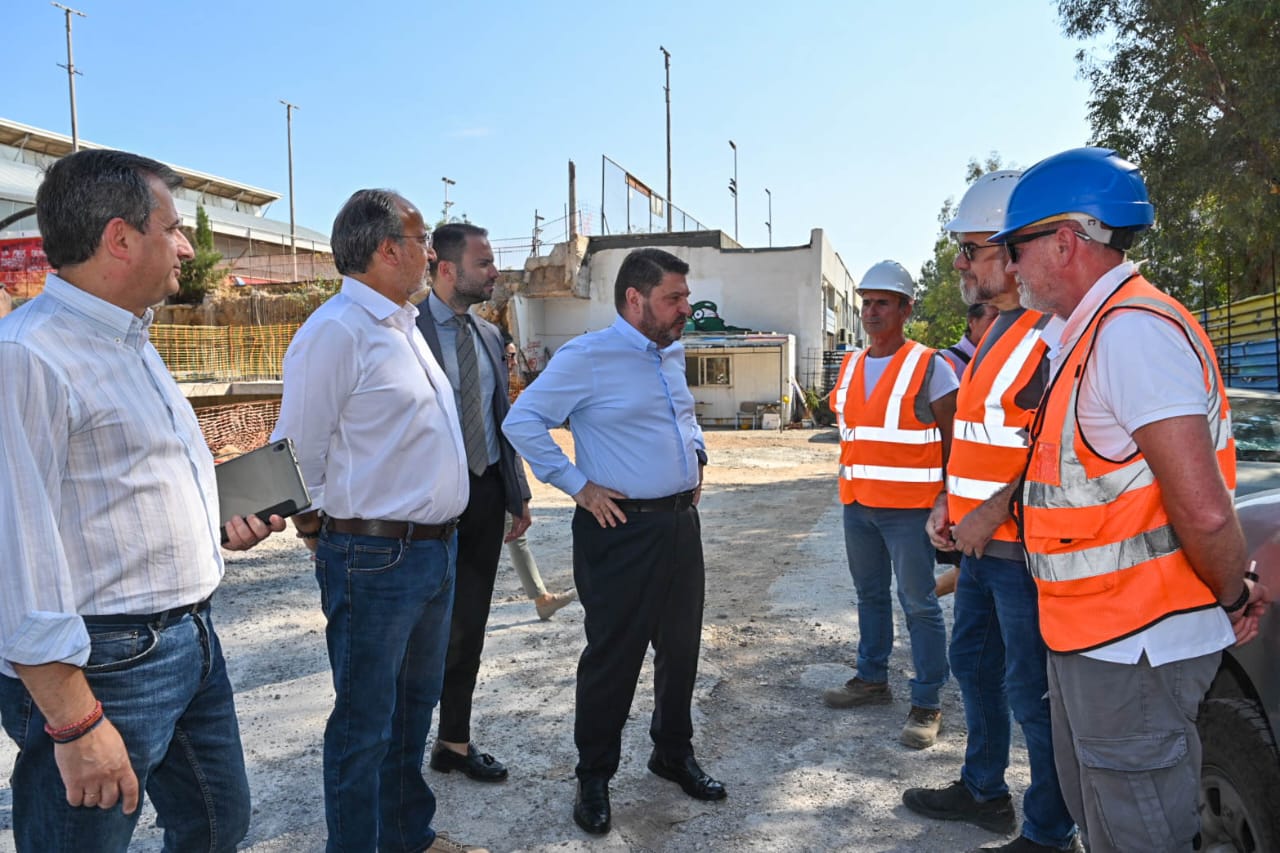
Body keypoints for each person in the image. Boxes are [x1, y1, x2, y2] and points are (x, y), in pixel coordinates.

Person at [0, 148, 285, 852]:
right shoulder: (28, 355)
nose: (187, 246)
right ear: (120, 238)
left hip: (191, 639)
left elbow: (125, 486)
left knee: (217, 826)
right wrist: (74, 721)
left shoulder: (132, 338)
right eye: (174, 228)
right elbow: (13, 554)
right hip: (102, 664)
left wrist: (213, 519)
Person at [987, 147, 1270, 852]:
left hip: (1136, 647)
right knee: (1106, 825)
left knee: (1141, 833)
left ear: (1065, 241)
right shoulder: (1089, 334)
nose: (1011, 267)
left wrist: (1233, 595)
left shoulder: (1132, 334)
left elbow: (1205, 510)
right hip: (1097, 640)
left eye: (1017, 248)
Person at [272, 190, 485, 853]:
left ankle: (406, 835)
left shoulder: (401, 325)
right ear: (388, 249)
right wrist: (323, 538)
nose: (431, 252)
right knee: (364, 724)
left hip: (433, 554)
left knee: (413, 710)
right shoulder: (336, 331)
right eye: (423, 240)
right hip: (375, 558)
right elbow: (297, 455)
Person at [503, 247, 725, 837]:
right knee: (614, 658)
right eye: (673, 298)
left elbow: (684, 416)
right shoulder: (588, 357)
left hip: (679, 525)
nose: (685, 308)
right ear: (634, 299)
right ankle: (594, 777)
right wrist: (578, 486)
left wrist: (697, 456)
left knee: (681, 648)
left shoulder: (670, 350)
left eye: (685, 296)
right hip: (619, 530)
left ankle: (671, 752)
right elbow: (522, 422)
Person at [901, 171, 1081, 853]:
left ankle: (1050, 831)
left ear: (1010, 251)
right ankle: (983, 790)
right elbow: (981, 440)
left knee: (1031, 690)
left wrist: (989, 514)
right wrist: (951, 500)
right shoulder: (998, 331)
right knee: (974, 666)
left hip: (1022, 552)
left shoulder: (1051, 334)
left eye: (970, 249)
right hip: (982, 545)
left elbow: (1054, 450)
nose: (961, 264)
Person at [414, 222, 536, 782]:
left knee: (468, 626)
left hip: (483, 496)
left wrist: (517, 493)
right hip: (422, 505)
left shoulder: (489, 336)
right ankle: (398, 755)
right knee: (416, 632)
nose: (495, 272)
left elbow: (499, 419)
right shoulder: (405, 331)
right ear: (446, 268)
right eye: (484, 263)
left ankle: (453, 744)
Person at [823, 259, 957, 749]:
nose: (871, 311)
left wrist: (947, 498)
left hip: (910, 510)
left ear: (906, 309)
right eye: (866, 303)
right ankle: (872, 679)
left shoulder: (931, 366)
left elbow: (955, 440)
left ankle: (927, 701)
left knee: (919, 603)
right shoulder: (851, 364)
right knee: (870, 595)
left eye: (883, 303)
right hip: (858, 504)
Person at [501, 340, 577, 620]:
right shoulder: (491, 390)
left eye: (513, 357)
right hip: (479, 482)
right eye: (507, 357)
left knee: (516, 536)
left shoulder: (509, 390)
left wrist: (521, 495)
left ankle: (541, 598)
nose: (512, 363)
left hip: (502, 478)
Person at [941, 301, 999, 377]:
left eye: (1001, 318)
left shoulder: (1003, 358)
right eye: (993, 317)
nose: (999, 323)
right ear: (971, 321)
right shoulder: (945, 361)